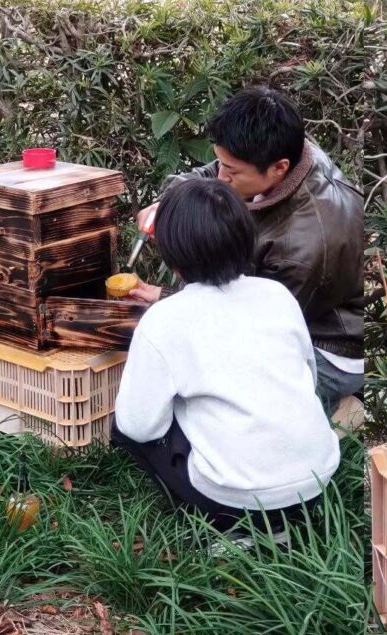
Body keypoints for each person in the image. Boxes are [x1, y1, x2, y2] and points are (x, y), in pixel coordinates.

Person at [111, 179, 340, 533]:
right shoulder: (276, 295)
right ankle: (288, 526)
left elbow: (139, 425)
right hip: (316, 483)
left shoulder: (165, 319)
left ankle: (231, 532)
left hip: (233, 500)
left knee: (126, 432)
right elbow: (307, 376)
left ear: (172, 255)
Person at [131, 87, 364, 418]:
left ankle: (335, 406)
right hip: (285, 309)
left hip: (325, 346)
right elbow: (211, 175)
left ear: (279, 169)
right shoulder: (277, 152)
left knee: (211, 391)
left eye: (231, 171)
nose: (221, 177)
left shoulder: (306, 244)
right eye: (221, 164)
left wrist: (169, 297)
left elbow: (252, 323)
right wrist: (170, 204)